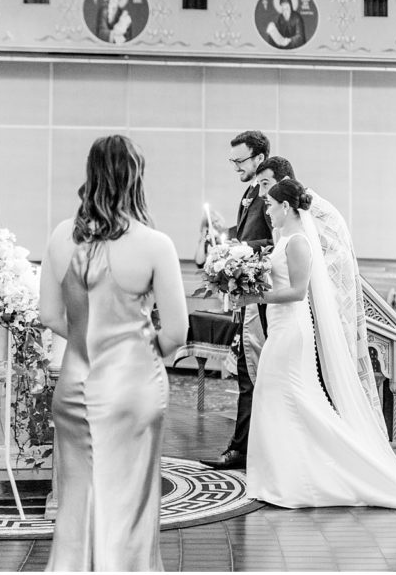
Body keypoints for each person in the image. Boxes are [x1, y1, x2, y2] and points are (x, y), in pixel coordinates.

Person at [235, 179, 396, 535]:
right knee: (278, 399)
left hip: (292, 331)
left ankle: (310, 476)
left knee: (289, 398)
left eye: (271, 206)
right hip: (280, 329)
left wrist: (255, 297)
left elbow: (297, 291)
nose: (267, 212)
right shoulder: (283, 240)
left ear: (286, 207)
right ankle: (282, 475)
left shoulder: (299, 242)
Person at [39, 135, 189, 571]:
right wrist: (136, 349)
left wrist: (92, 337)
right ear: (136, 178)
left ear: (91, 174)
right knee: (130, 501)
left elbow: (49, 315)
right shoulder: (154, 244)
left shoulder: (59, 236)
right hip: (132, 387)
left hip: (74, 386)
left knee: (77, 501)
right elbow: (177, 331)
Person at [255, 156, 385, 430]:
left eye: (266, 184)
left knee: (309, 391)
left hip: (318, 313)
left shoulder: (322, 214)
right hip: (289, 314)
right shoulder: (284, 222)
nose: (262, 194)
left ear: (285, 184)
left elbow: (336, 263)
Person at [202, 131, 273, 470]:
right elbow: (250, 235)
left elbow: (277, 240)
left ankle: (248, 447)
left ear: (259, 158)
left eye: (239, 160)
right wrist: (226, 236)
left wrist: (239, 252)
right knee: (247, 372)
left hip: (266, 302)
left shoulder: (272, 193)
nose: (235, 167)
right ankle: (244, 445)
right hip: (249, 297)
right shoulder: (250, 192)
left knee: (256, 373)